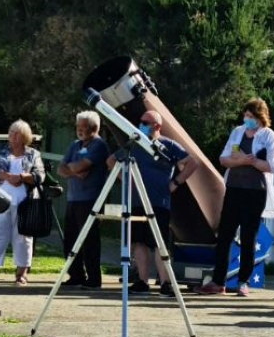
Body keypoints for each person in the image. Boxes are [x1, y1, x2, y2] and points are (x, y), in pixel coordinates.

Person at [198, 98, 274, 297]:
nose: (247, 119)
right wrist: (245, 160)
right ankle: (219, 281)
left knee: (248, 236)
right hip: (234, 189)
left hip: (255, 191)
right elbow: (224, 159)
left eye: (251, 116)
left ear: (260, 116)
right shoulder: (237, 132)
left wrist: (249, 162)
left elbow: (271, 165)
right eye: (246, 115)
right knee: (225, 234)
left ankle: (244, 281)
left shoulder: (268, 136)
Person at [118, 109, 198, 296]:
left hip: (159, 201)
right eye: (141, 120)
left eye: (146, 122)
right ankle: (142, 281)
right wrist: (127, 181)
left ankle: (165, 283)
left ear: (157, 126)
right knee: (139, 242)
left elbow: (193, 162)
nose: (142, 124)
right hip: (137, 201)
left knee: (159, 243)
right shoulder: (135, 144)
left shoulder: (168, 145)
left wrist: (176, 183)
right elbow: (112, 161)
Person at [0, 120, 45, 284]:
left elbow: (40, 175)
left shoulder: (33, 154)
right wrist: (7, 176)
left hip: (25, 202)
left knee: (24, 236)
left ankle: (22, 274)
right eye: (11, 132)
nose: (12, 135)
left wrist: (22, 177)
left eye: (16, 133)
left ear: (24, 136)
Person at [58, 110, 110, 290]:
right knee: (70, 239)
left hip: (90, 199)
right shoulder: (74, 145)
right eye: (77, 127)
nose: (79, 130)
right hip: (73, 198)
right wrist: (76, 171)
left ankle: (94, 279)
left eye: (83, 127)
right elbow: (61, 169)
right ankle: (76, 275)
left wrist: (75, 169)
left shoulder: (99, 145)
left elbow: (83, 166)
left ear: (94, 128)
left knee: (89, 240)